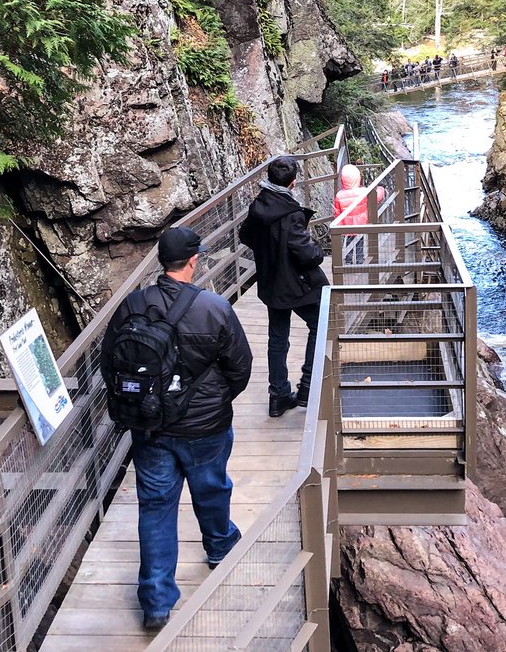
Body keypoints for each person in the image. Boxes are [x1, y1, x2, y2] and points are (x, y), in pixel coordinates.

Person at [100, 226, 252, 631]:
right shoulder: (215, 307)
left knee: (155, 507)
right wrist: (216, 401)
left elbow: (108, 363)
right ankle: (219, 546)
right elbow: (240, 368)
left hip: (149, 426)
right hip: (205, 426)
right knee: (212, 487)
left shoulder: (132, 305)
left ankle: (155, 601)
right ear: (193, 260)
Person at [238, 156, 329, 417]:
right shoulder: (290, 214)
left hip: (270, 282)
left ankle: (278, 395)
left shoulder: (258, 206)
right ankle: (308, 386)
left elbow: (246, 235)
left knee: (278, 337)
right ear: (293, 182)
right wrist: (317, 251)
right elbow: (307, 254)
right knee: (319, 324)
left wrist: (270, 251)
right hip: (296, 285)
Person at [332, 164, 385, 264]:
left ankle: (348, 259)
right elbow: (376, 197)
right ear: (357, 178)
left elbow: (337, 212)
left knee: (349, 239)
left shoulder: (339, 195)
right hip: (360, 222)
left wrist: (338, 225)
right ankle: (360, 259)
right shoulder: (362, 192)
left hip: (347, 224)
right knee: (359, 240)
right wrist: (381, 188)